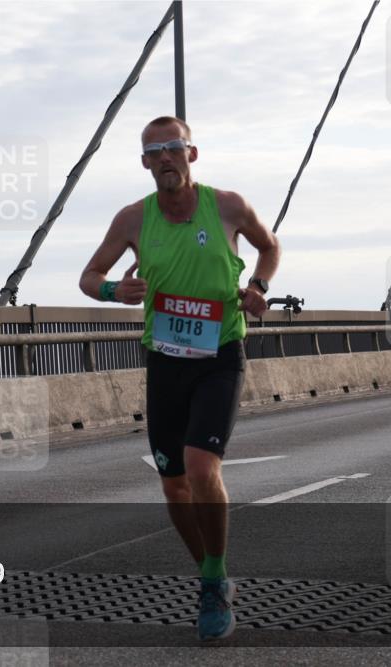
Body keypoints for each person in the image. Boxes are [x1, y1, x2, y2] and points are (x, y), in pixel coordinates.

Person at [78, 116, 280, 641]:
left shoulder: (228, 206)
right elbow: (89, 276)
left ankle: (212, 582)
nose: (165, 157)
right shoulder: (132, 219)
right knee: (173, 486)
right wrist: (110, 294)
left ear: (192, 155)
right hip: (166, 359)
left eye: (174, 148)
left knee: (198, 465)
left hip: (220, 352)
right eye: (154, 151)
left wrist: (257, 285)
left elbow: (270, 245)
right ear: (145, 163)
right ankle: (211, 570)